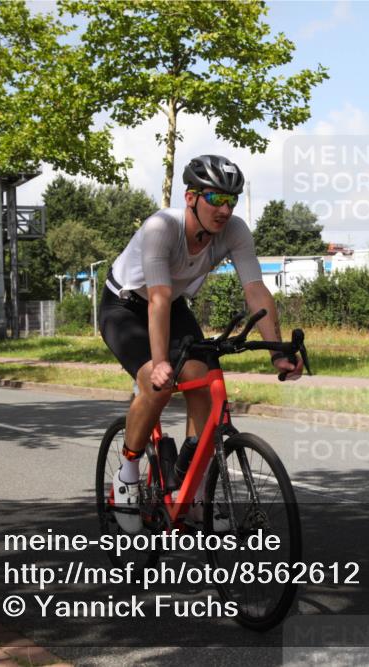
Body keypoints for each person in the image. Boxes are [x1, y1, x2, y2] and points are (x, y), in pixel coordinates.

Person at [100, 155, 303, 531]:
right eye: (215, 198)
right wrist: (160, 363)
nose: (224, 209)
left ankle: (193, 493)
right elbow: (156, 297)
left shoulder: (235, 231)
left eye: (232, 200)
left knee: (206, 388)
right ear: (190, 196)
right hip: (125, 306)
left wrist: (278, 352)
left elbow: (256, 290)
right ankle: (127, 473)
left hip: (173, 307)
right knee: (157, 386)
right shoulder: (161, 227)